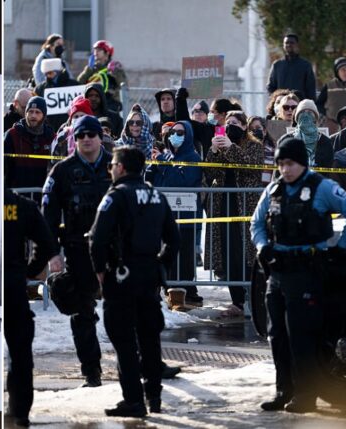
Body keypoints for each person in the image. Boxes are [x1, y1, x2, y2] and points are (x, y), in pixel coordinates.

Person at [252, 137, 346, 413]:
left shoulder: (322, 188)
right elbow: (257, 222)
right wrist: (262, 246)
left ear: (302, 162)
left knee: (301, 335)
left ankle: (306, 394)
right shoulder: (274, 189)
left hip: (306, 270)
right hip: (277, 271)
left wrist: (340, 248)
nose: (285, 169)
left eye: (290, 163)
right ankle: (283, 390)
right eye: (280, 164)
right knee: (276, 334)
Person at [89, 146, 181, 417]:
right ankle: (154, 396)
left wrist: (101, 273)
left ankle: (133, 400)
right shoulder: (156, 195)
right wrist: (160, 264)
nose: (110, 169)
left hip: (122, 274)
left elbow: (97, 238)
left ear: (121, 167)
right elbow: (174, 239)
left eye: (112, 165)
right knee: (150, 337)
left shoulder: (116, 197)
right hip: (148, 273)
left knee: (124, 339)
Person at [42, 115, 110, 388]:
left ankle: (140, 364)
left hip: (114, 251)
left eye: (91, 134)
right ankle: (91, 372)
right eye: (81, 136)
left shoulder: (117, 165)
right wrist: (52, 253)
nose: (86, 140)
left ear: (99, 136)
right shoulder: (62, 171)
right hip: (78, 249)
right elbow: (48, 214)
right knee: (81, 313)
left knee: (127, 311)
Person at [3, 186, 58, 428]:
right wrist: (27, 272)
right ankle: (20, 409)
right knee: (20, 350)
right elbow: (47, 244)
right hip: (12, 283)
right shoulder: (22, 205)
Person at [204, 110, 264, 316]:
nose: (231, 126)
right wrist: (213, 151)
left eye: (236, 123)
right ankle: (237, 301)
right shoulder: (219, 147)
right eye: (228, 122)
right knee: (228, 254)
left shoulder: (254, 145)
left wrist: (232, 148)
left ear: (244, 126)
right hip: (224, 205)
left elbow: (252, 167)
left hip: (245, 206)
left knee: (247, 253)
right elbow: (210, 173)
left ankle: (251, 298)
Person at [148, 121, 203, 306]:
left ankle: (184, 292)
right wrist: (154, 164)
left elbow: (180, 181)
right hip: (164, 215)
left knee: (183, 254)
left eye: (180, 132)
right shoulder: (168, 156)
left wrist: (162, 162)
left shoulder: (193, 157)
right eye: (172, 132)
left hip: (185, 215)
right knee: (164, 252)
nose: (175, 135)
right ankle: (165, 289)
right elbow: (153, 179)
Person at [4, 96, 55, 188]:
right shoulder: (12, 135)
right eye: (30, 111)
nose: (33, 116)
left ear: (44, 115)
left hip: (42, 197)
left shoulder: (52, 137)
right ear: (26, 113)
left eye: (37, 112)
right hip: (16, 196)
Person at [277, 99, 333, 168]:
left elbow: (328, 170)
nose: (306, 115)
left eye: (310, 112)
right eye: (302, 112)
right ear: (297, 118)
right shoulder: (285, 140)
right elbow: (279, 170)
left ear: (315, 118)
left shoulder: (325, 142)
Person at [316, 56, 346, 132]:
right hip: (332, 123)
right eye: (343, 70)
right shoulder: (329, 85)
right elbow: (319, 103)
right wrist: (327, 114)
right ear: (337, 71)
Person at [77, 40, 128, 112]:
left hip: (111, 103)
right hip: (94, 102)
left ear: (107, 53)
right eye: (95, 50)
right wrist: (89, 69)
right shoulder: (92, 68)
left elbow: (123, 84)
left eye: (99, 50)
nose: (95, 53)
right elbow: (79, 82)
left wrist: (116, 73)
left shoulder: (115, 67)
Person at [35, 58, 80, 132]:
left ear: (58, 72)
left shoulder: (73, 85)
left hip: (70, 127)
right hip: (49, 128)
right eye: (46, 74)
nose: (47, 76)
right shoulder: (41, 88)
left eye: (50, 73)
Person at [267, 34, 316, 101]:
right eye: (286, 43)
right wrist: (277, 99)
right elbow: (270, 87)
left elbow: (311, 88)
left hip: (300, 105)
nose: (289, 45)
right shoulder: (277, 65)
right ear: (283, 45)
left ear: (297, 45)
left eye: (292, 43)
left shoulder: (305, 65)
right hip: (282, 106)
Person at [49, 96, 94, 165]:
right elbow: (54, 163)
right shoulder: (62, 137)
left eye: (82, 116)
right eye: (76, 116)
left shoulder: (99, 135)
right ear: (71, 119)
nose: (79, 119)